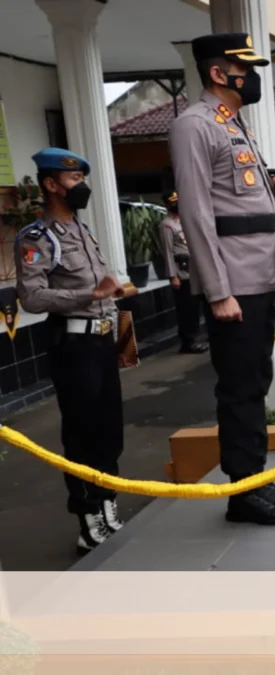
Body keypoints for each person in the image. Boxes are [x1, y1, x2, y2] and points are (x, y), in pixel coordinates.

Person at [169, 32, 275, 526]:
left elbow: (237, 188)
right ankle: (243, 491)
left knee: (256, 381)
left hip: (259, 273)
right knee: (239, 389)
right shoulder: (193, 125)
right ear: (217, 73)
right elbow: (197, 212)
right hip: (234, 283)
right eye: (243, 68)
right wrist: (218, 290)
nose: (251, 77)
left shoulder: (232, 122)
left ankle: (255, 479)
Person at [16, 148, 129, 553]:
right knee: (82, 432)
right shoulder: (36, 238)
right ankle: (87, 514)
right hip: (73, 343)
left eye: (82, 178)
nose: (82, 187)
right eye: (73, 180)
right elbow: (31, 296)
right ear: (50, 184)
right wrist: (89, 293)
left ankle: (108, 499)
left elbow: (105, 292)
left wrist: (118, 331)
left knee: (109, 429)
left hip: (100, 339)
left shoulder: (83, 230)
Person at [159, 191, 208, 354]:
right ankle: (188, 342)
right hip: (182, 274)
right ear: (167, 205)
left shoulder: (186, 221)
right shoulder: (167, 225)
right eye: (173, 203)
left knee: (196, 309)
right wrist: (173, 276)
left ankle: (199, 336)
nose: (176, 205)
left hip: (195, 271)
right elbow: (167, 252)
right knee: (186, 310)